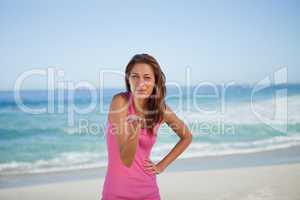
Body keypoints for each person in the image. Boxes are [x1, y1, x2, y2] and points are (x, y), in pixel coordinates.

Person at [101, 53, 193, 200]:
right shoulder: (120, 102)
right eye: (135, 76)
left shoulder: (161, 110)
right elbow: (126, 159)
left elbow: (187, 137)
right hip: (116, 192)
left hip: (149, 192)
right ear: (128, 79)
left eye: (147, 77)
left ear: (155, 81)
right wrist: (135, 131)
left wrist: (161, 166)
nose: (140, 83)